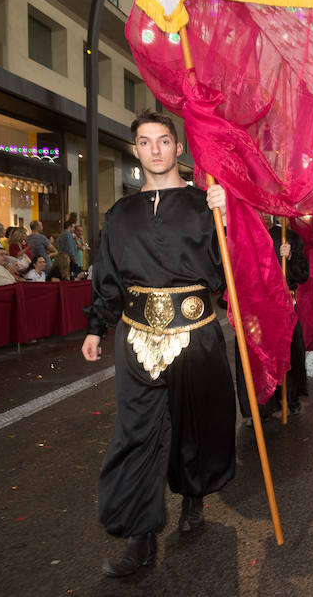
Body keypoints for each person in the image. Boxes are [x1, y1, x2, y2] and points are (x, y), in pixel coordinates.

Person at [81, 110, 236, 578]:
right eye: (145, 141)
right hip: (137, 337)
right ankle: (140, 536)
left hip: (197, 332)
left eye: (164, 140)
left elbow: (225, 270)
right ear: (135, 150)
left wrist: (226, 219)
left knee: (197, 422)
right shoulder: (119, 215)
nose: (155, 149)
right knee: (137, 432)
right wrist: (96, 326)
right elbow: (108, 278)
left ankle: (193, 496)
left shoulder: (203, 203)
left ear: (178, 147)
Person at [236, 213, 309, 423]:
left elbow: (303, 274)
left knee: (290, 355)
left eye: (265, 211)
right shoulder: (242, 237)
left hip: (284, 309)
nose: (262, 215)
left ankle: (289, 399)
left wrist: (291, 257)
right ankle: (258, 408)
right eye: (256, 209)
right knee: (255, 359)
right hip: (254, 313)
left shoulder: (289, 238)